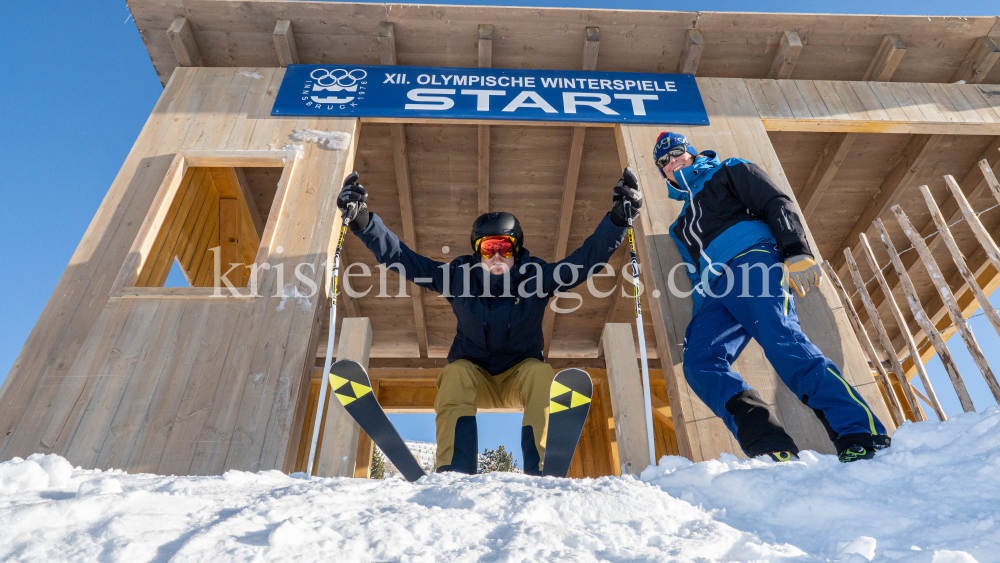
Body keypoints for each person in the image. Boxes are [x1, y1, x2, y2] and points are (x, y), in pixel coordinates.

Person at [336, 171, 642, 474]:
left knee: (540, 373)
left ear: (516, 250)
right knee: (454, 375)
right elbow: (403, 258)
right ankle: (455, 468)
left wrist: (617, 219)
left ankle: (542, 464)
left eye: (504, 247)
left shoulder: (537, 277)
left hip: (518, 376)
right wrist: (363, 221)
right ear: (478, 252)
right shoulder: (458, 278)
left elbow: (585, 261)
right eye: (487, 248)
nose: (496, 256)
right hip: (474, 375)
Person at [653, 132, 890, 463]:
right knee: (700, 362)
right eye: (663, 161)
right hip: (716, 290)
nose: (671, 162)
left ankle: (859, 430)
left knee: (781, 339)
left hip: (755, 262)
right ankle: (766, 440)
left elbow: (774, 201)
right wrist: (701, 315)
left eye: (676, 153)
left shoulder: (728, 169)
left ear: (691, 153)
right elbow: (694, 274)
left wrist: (796, 250)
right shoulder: (679, 225)